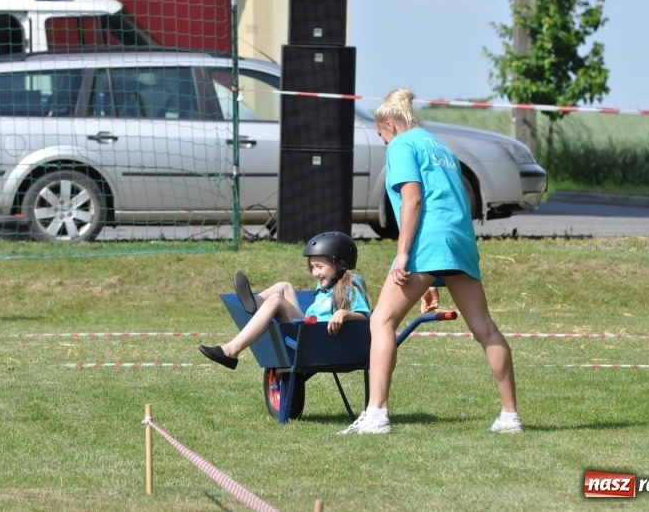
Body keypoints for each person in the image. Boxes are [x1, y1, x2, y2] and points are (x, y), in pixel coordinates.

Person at [339, 89, 522, 435]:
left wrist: (404, 254)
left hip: (427, 244)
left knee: (382, 321)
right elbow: (447, 201)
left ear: (391, 124)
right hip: (460, 242)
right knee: (485, 328)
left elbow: (413, 200)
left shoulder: (402, 145)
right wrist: (432, 281)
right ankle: (510, 416)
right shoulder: (441, 147)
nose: (382, 142)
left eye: (381, 135)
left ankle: (376, 415)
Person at [199, 231, 372, 369]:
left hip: (321, 339)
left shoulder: (351, 283)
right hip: (310, 332)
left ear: (341, 264)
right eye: (312, 267)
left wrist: (344, 313)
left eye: (320, 267)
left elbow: (365, 318)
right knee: (285, 286)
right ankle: (255, 303)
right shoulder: (326, 286)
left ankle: (231, 350)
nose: (315, 273)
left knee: (276, 300)